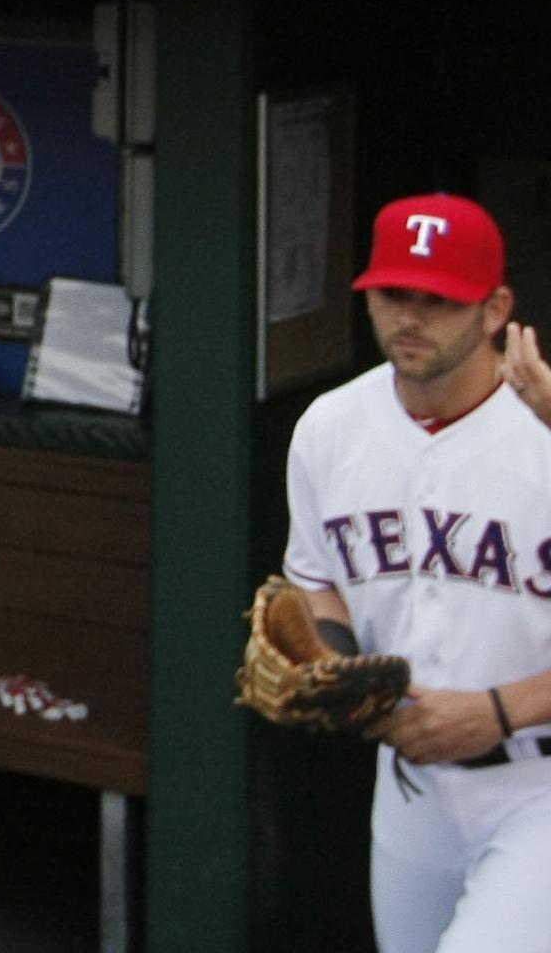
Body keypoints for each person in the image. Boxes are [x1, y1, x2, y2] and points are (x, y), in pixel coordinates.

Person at [274, 195, 551, 953]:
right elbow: (315, 578)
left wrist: (498, 711)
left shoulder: (545, 435)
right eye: (396, 294)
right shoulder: (330, 428)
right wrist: (333, 662)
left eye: (439, 300)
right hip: (408, 789)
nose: (411, 316)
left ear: (495, 309)